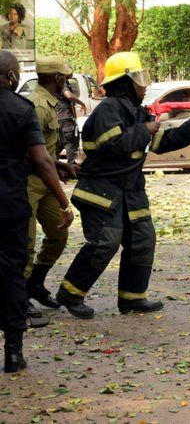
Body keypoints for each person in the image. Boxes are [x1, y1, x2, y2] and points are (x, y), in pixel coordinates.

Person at [56, 52, 190, 319]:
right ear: (124, 83)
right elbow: (112, 144)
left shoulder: (138, 112)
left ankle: (132, 298)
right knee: (106, 242)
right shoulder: (108, 109)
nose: (144, 85)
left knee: (142, 240)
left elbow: (162, 143)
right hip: (102, 192)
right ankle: (70, 293)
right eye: (139, 79)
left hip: (131, 192)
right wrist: (144, 130)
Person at [0, 51, 71, 373]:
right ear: (12, 77)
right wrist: (64, 200)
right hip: (10, 203)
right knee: (12, 273)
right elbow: (40, 160)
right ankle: (13, 352)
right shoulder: (20, 108)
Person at [25, 57, 79, 316]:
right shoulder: (36, 105)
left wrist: (56, 164)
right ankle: (17, 298)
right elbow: (29, 152)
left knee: (58, 235)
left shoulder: (49, 102)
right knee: (25, 243)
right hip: (29, 182)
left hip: (45, 177)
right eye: (64, 77)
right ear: (57, 78)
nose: (66, 81)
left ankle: (34, 283)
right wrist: (63, 199)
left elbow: (42, 149)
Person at [57, 75, 86, 165]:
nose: (71, 74)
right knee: (70, 143)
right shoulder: (62, 83)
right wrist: (81, 103)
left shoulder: (56, 83)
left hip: (59, 117)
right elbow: (68, 95)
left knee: (60, 143)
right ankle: (71, 168)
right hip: (65, 118)